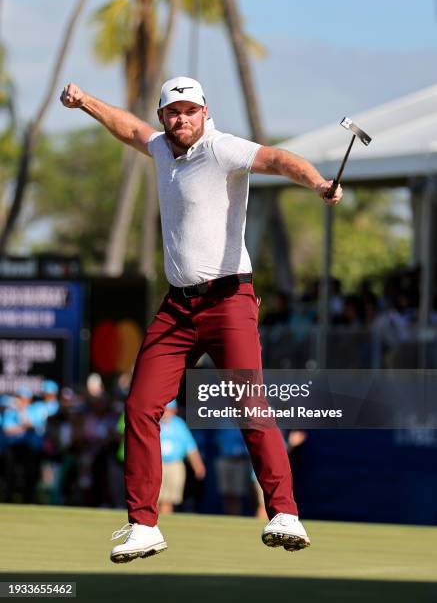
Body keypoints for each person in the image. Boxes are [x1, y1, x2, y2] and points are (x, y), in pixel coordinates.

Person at [61, 75, 343, 563]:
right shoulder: (159, 147)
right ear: (163, 117)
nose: (182, 118)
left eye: (191, 110)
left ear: (205, 113)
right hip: (177, 307)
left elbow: (277, 159)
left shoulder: (223, 148)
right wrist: (85, 101)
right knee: (140, 406)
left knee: (249, 404)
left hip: (229, 299)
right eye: (173, 111)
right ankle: (144, 525)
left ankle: (285, 513)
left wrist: (317, 182)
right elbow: (126, 128)